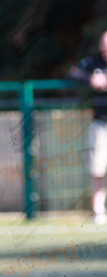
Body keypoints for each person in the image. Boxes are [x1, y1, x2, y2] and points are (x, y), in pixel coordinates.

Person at [70, 31, 107, 225]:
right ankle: (98, 209)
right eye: (104, 45)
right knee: (98, 168)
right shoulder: (93, 62)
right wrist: (91, 80)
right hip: (100, 122)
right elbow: (73, 72)